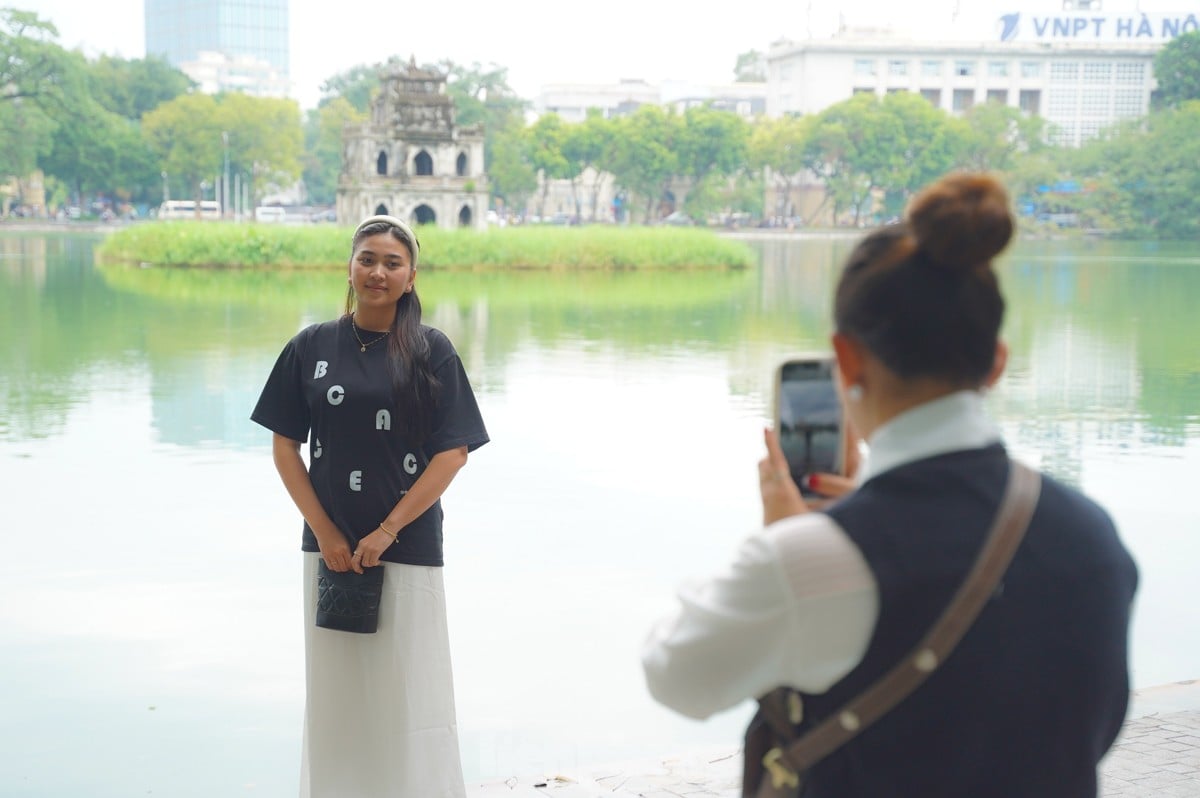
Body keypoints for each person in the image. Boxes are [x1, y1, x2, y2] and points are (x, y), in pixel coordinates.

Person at [641, 173, 1138, 797]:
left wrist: (792, 541)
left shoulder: (809, 560)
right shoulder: (1093, 535)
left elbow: (673, 675)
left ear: (847, 360)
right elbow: (1096, 726)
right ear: (997, 362)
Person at [251, 215, 489, 798]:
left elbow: (453, 453)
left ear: (411, 277)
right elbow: (285, 445)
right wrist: (325, 531)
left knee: (410, 687)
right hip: (329, 547)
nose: (377, 272)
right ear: (350, 266)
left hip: (405, 543)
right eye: (367, 259)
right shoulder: (310, 346)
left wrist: (386, 530)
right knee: (336, 691)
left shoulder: (431, 351)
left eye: (392, 262)